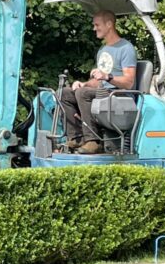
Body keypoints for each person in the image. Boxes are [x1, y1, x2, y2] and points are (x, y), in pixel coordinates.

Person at [59, 10, 137, 155]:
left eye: (97, 25)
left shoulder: (126, 48)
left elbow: (129, 82)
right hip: (103, 91)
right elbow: (99, 81)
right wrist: (84, 84)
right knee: (66, 93)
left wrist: (108, 77)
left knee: (83, 94)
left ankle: (93, 141)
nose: (94, 28)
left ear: (109, 24)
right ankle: (77, 138)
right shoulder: (103, 50)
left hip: (119, 95)